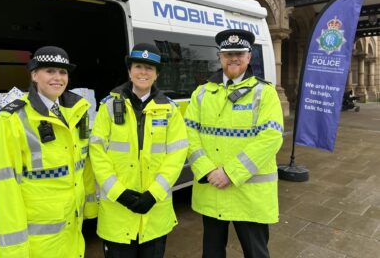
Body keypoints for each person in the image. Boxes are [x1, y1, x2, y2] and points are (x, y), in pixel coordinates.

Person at [0, 46, 98, 257]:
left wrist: (90, 208)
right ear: (34, 75)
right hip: (36, 244)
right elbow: (4, 187)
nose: (58, 78)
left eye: (63, 72)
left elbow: (82, 166)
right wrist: (14, 250)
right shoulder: (11, 119)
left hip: (71, 234)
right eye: (50, 71)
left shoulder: (77, 111)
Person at [184, 29, 284, 258]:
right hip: (212, 190)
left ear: (249, 56)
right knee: (212, 253)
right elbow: (189, 132)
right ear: (220, 57)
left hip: (248, 194)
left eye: (240, 53)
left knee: (256, 253)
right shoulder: (202, 93)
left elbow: (270, 138)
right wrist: (207, 170)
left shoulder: (264, 93)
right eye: (228, 54)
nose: (234, 58)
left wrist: (230, 173)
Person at [89, 43, 188, 258]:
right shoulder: (108, 106)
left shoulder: (170, 110)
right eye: (138, 66)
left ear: (157, 75)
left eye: (149, 68)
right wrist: (119, 194)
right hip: (117, 212)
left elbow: (177, 155)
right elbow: (97, 153)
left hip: (155, 213)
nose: (143, 72)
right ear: (129, 71)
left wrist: (153, 194)